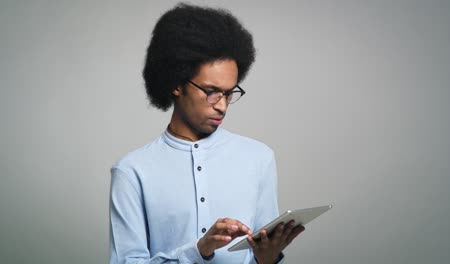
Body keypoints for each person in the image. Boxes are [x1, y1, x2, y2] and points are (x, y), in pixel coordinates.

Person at [109, 3, 304, 263]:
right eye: (212, 91)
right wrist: (198, 251)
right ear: (177, 83)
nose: (222, 105)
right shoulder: (132, 172)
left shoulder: (259, 157)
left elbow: (262, 254)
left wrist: (267, 258)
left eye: (229, 93)